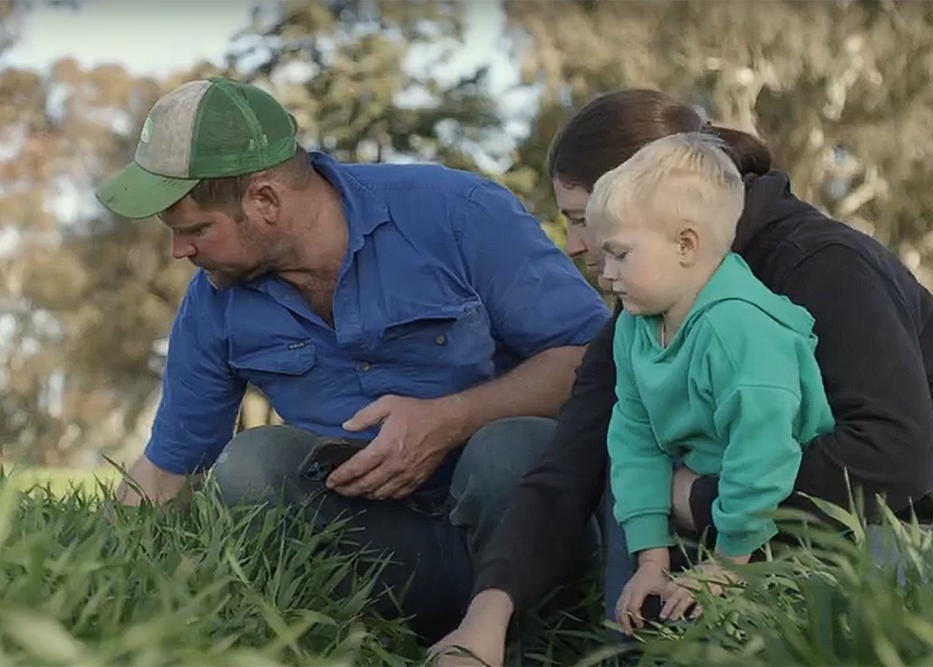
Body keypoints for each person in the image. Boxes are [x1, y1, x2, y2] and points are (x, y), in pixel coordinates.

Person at [431, 89, 933, 666]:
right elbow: (568, 468)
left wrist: (699, 499)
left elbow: (895, 456)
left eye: (584, 219)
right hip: (768, 517)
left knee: (716, 528)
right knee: (627, 471)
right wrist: (486, 618)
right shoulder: (647, 307)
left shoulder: (821, 264)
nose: (576, 244)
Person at [93, 77, 610, 640]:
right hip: (376, 553)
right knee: (251, 464)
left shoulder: (458, 212)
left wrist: (452, 420)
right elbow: (168, 473)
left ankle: (529, 637)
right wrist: (88, 577)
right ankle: (354, 638)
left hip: (519, 530)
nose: (179, 251)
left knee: (511, 448)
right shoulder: (212, 302)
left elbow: (590, 358)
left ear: (265, 200)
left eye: (195, 230)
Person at [587, 133, 834, 633]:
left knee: (737, 627)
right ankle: (630, 642)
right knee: (619, 490)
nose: (606, 275)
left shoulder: (738, 329)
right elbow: (634, 434)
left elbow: (763, 456)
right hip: (704, 490)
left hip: (784, 515)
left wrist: (726, 566)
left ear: (685, 244)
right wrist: (652, 562)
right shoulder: (636, 325)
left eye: (619, 254)